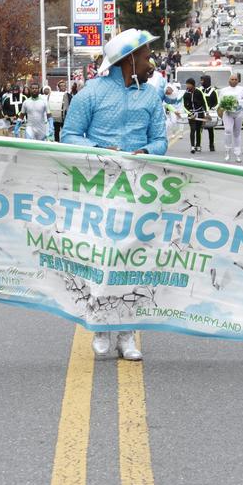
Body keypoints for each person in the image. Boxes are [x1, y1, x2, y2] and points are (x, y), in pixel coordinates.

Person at [61, 28, 167, 361]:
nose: (151, 61)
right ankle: (101, 328)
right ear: (129, 59)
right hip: (98, 191)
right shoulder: (90, 93)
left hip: (138, 191)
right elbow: (69, 136)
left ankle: (127, 335)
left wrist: (147, 151)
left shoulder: (151, 96)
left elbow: (161, 141)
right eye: (146, 55)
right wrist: (99, 149)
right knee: (102, 260)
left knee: (134, 262)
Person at [218, 74, 243, 163]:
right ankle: (227, 152)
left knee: (237, 133)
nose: (234, 81)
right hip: (228, 113)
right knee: (228, 131)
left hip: (238, 113)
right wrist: (223, 107)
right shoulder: (224, 90)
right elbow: (220, 102)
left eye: (235, 79)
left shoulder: (242, 89)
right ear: (229, 80)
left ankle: (237, 154)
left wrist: (239, 102)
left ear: (238, 80)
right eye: (232, 79)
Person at [182, 78, 209, 153]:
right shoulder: (186, 94)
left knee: (198, 130)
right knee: (192, 129)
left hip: (200, 113)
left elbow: (204, 102)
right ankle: (192, 146)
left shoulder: (199, 92)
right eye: (187, 84)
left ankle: (198, 145)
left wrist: (207, 113)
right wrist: (190, 114)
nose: (187, 85)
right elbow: (184, 106)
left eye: (189, 84)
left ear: (192, 85)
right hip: (191, 114)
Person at [199, 75, 218, 152]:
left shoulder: (213, 91)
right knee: (199, 129)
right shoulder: (199, 90)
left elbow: (217, 102)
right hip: (201, 112)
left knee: (211, 129)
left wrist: (213, 108)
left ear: (207, 81)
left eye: (202, 80)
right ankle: (198, 144)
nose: (201, 82)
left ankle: (211, 145)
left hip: (210, 112)